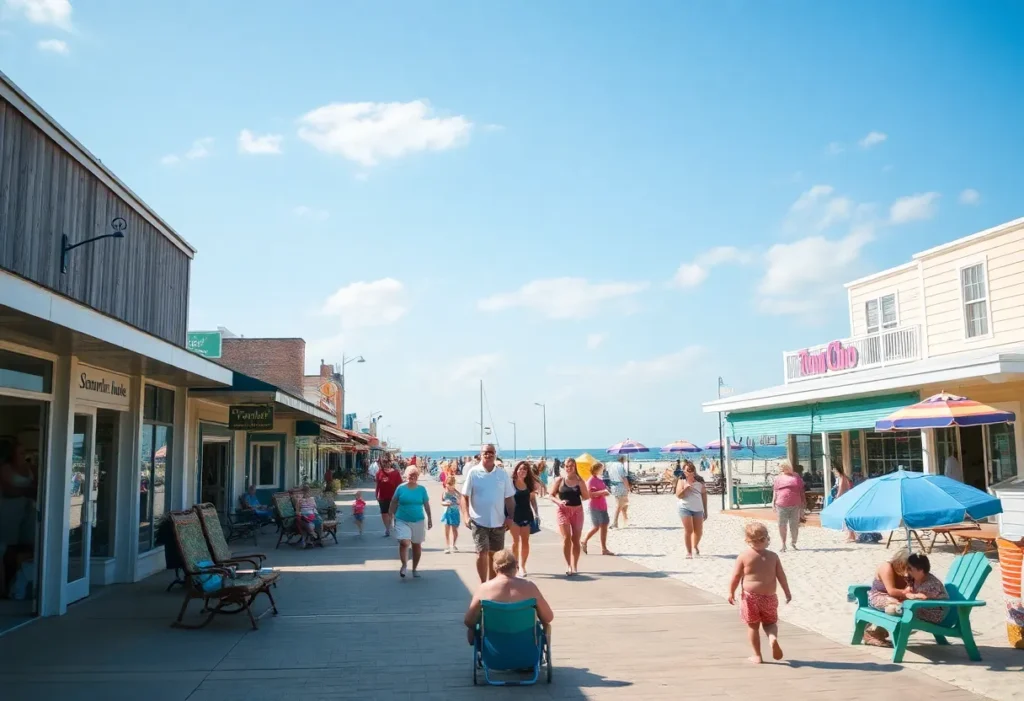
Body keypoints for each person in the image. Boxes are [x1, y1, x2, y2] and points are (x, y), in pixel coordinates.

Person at [727, 522, 792, 664]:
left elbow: (736, 577)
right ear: (767, 539)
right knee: (770, 623)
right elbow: (781, 576)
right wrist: (787, 592)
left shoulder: (744, 556)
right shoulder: (773, 556)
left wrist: (731, 592)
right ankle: (772, 638)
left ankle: (757, 655)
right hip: (769, 596)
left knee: (753, 626)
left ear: (747, 540)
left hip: (751, 597)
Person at [463, 549, 555, 646]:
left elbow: (468, 621)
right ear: (516, 566)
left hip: (493, 651)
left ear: (495, 567)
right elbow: (548, 617)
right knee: (546, 624)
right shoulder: (530, 587)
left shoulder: (484, 589)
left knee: (473, 626)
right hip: (526, 650)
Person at [461, 444, 516, 582]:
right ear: (481, 454)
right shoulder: (473, 472)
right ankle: (483, 583)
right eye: (486, 452)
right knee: (482, 552)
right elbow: (464, 496)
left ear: (495, 454)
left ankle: (493, 584)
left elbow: (509, 498)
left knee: (496, 556)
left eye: (491, 452)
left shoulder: (502, 474)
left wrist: (510, 517)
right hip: (479, 521)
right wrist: (466, 516)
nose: (489, 455)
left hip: (498, 522)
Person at [549, 457, 590, 576]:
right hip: (563, 511)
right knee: (567, 538)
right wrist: (558, 502)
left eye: (571, 466)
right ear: (564, 467)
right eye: (567, 466)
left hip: (577, 511)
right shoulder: (560, 480)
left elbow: (586, 497)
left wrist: (583, 486)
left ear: (575, 467)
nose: (569, 468)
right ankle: (568, 565)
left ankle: (575, 565)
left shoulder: (579, 481)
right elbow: (551, 495)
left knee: (575, 539)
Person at [389, 466, 432, 578]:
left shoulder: (421, 489)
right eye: (410, 475)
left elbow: (426, 504)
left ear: (417, 477)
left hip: (418, 519)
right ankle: (404, 565)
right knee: (404, 542)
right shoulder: (401, 488)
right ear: (406, 475)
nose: (412, 477)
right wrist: (391, 515)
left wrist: (430, 518)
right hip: (402, 519)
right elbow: (394, 502)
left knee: (416, 545)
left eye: (415, 475)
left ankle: (414, 568)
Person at [862, 551, 910, 646]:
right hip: (879, 596)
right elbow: (891, 591)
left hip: (900, 597)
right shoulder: (887, 567)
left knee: (909, 606)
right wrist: (911, 594)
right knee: (896, 606)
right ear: (899, 563)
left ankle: (880, 631)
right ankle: (872, 632)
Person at [509, 461, 540, 576]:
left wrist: (536, 513)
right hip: (514, 516)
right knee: (515, 541)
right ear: (516, 470)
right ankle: (515, 566)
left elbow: (532, 499)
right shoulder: (511, 483)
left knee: (525, 541)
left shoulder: (529, 484)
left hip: (526, 514)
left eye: (525, 469)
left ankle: (523, 566)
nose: (522, 471)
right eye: (520, 469)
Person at [904, 553, 949, 624]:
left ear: (921, 570)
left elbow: (922, 597)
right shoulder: (914, 578)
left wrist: (911, 595)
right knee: (897, 608)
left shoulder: (932, 584)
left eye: (910, 568)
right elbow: (907, 592)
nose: (907, 570)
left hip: (935, 613)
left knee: (901, 610)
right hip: (920, 607)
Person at [675, 461, 707, 558]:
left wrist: (706, 510)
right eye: (687, 470)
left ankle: (695, 546)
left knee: (699, 531)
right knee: (689, 530)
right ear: (684, 471)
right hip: (685, 508)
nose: (690, 472)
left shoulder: (700, 481)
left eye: (691, 469)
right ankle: (689, 552)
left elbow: (704, 495)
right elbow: (678, 496)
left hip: (698, 508)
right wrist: (685, 488)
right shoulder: (681, 481)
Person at [772, 461, 805, 551]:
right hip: (781, 504)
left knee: (794, 525)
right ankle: (783, 544)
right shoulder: (778, 478)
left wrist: (803, 503)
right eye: (781, 467)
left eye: (783, 467)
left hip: (795, 504)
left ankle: (793, 542)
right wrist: (773, 502)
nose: (781, 469)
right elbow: (775, 490)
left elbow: (801, 491)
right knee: (782, 524)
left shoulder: (796, 477)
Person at [582, 462, 613, 556]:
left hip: (603, 505)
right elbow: (589, 494)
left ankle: (604, 549)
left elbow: (605, 491)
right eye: (601, 468)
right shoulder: (591, 481)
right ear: (596, 469)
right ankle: (585, 541)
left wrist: (606, 492)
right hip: (595, 506)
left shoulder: (600, 480)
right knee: (597, 527)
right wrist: (602, 492)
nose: (603, 470)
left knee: (603, 526)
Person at [375, 456, 402, 537]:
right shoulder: (379, 472)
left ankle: (395, 526)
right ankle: (387, 528)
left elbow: (399, 485)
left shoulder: (396, 473)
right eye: (384, 462)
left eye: (387, 461)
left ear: (390, 462)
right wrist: (376, 494)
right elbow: (377, 485)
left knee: (393, 513)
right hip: (383, 496)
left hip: (394, 497)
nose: (385, 463)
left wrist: (400, 496)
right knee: (384, 513)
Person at [606, 456, 631, 528]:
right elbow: (624, 478)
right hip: (621, 486)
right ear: (623, 459)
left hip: (614, 485)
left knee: (624, 504)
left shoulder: (611, 465)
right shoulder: (620, 466)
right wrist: (628, 487)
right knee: (620, 505)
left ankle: (625, 520)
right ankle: (615, 522)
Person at [440, 475, 461, 554]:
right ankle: (447, 546)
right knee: (447, 529)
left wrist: (458, 501)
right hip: (447, 512)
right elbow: (441, 502)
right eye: (448, 484)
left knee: (454, 529)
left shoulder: (456, 493)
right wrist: (445, 503)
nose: (449, 486)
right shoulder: (444, 492)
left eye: (451, 484)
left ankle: (454, 544)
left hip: (455, 512)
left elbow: (461, 500)